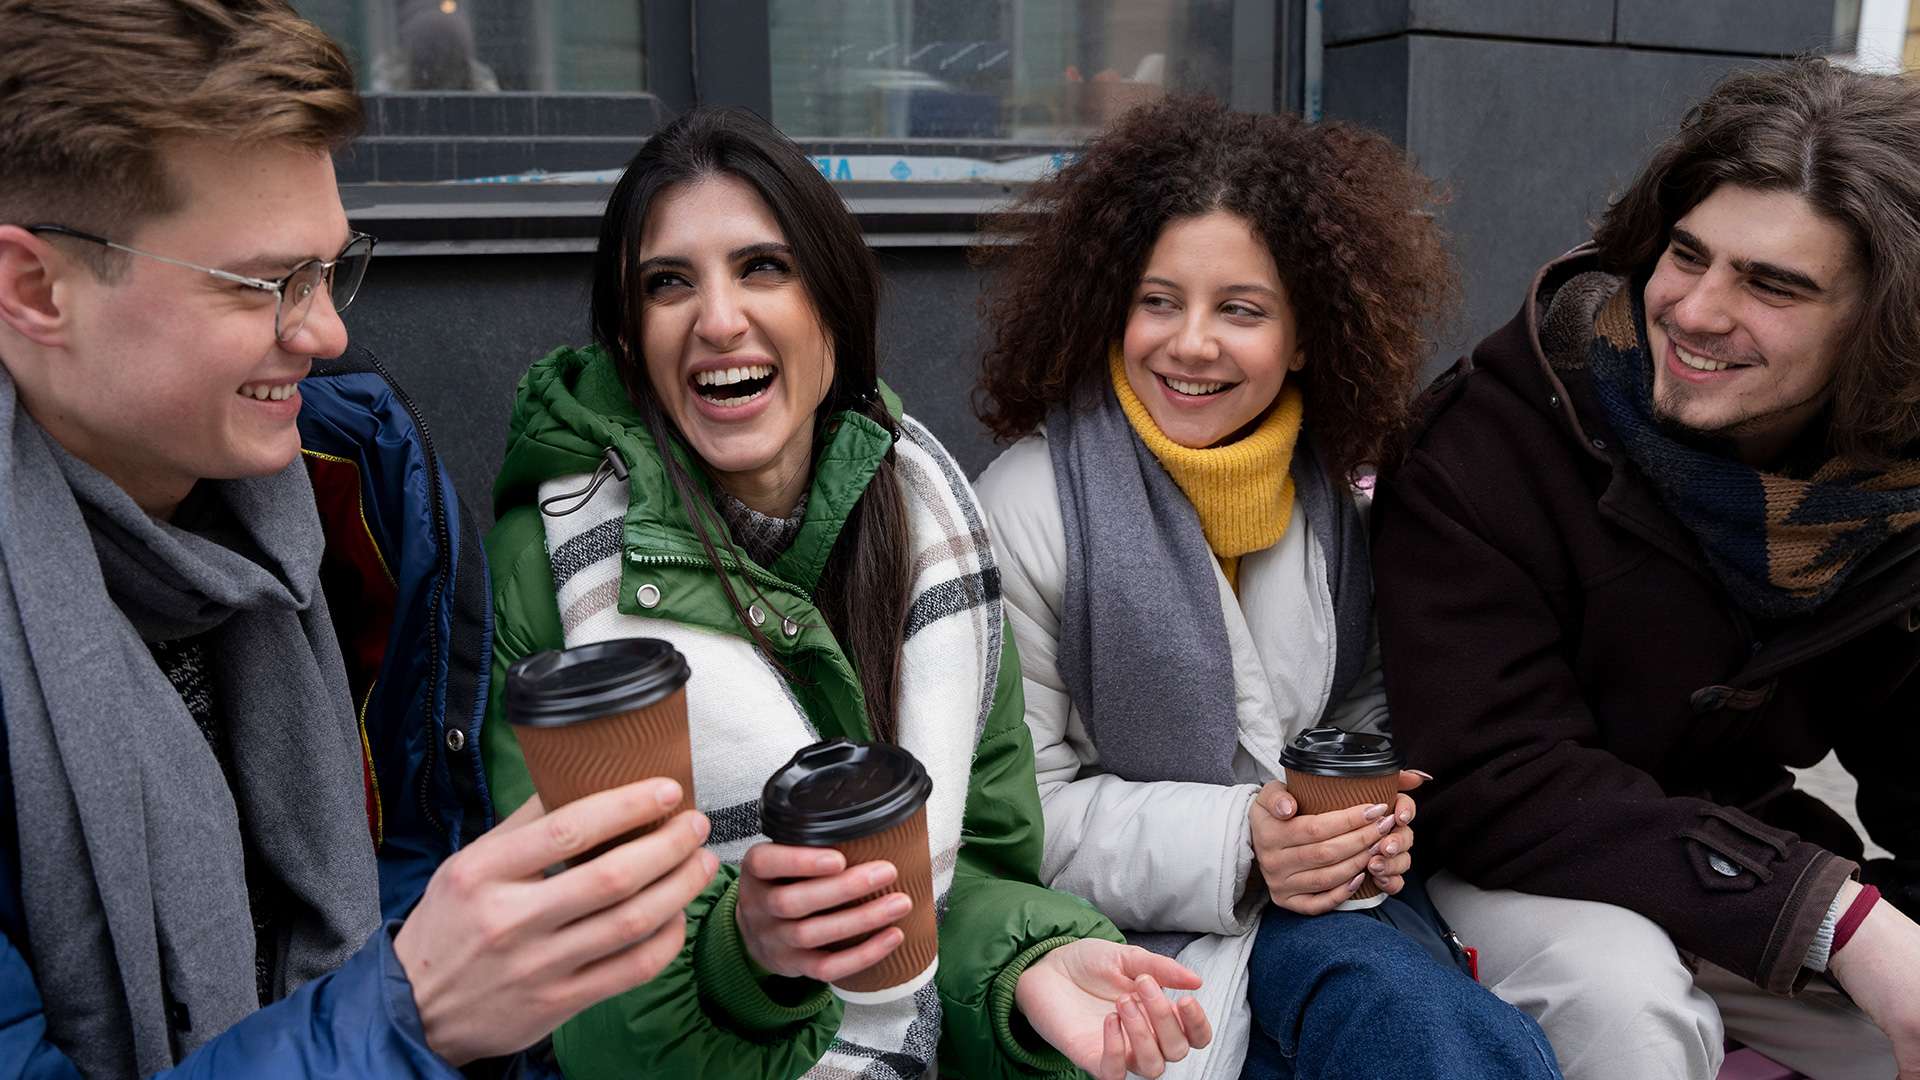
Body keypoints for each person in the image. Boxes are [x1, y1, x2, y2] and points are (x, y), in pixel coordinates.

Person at [0, 2, 715, 1075]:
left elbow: (426, 894)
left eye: (331, 269)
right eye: (263, 284)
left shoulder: (358, 493)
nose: (326, 330)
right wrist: (408, 1017)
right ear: (34, 288)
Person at [480, 104, 1214, 1080]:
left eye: (763, 267)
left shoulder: (930, 521)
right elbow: (581, 993)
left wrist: (1026, 968)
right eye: (668, 283)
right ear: (629, 335)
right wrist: (747, 956)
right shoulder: (552, 563)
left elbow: (969, 872)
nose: (718, 320)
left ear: (833, 304)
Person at [971, 96, 1562, 1080]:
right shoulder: (1028, 506)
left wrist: (1369, 821)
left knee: (1443, 1029)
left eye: (1240, 310)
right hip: (1122, 951)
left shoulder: (1333, 495)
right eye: (1158, 301)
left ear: (1304, 336)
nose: (1191, 343)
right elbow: (1012, 817)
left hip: (1319, 922)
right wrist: (1243, 843)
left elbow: (1361, 709)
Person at [1370, 58, 1920, 1080]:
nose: (1697, 312)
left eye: (1773, 285)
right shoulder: (1491, 438)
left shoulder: (1886, 489)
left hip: (1737, 862)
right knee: (1625, 1005)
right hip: (1504, 862)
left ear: (1886, 322)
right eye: (1687, 254)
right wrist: (1836, 920)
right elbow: (1491, 777)